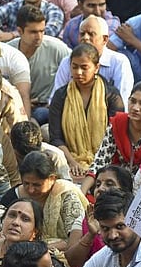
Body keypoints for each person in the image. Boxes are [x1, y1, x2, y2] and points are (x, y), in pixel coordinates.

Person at [49, 44, 125, 179]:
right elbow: (56, 138)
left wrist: (96, 165)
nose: (78, 72)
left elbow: (115, 136)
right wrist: (72, 163)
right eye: (74, 67)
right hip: (69, 159)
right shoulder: (61, 96)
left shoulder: (111, 95)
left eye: (84, 67)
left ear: (96, 67)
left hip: (105, 158)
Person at [81, 83, 141, 195]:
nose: (135, 108)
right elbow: (100, 162)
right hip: (115, 185)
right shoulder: (118, 123)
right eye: (132, 101)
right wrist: (81, 193)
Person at [8, 152, 85, 251]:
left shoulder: (65, 195)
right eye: (26, 183)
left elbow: (76, 240)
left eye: (36, 185)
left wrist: (36, 249)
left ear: (52, 179)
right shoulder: (14, 195)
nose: (30, 190)